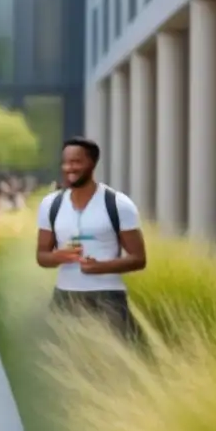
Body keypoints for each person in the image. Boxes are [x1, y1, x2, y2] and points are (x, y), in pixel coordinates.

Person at [36, 137, 146, 336]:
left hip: (108, 298)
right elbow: (41, 256)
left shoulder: (118, 204)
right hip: (65, 297)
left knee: (114, 361)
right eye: (66, 162)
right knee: (59, 362)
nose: (69, 167)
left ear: (92, 163)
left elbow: (139, 259)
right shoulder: (50, 205)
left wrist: (100, 267)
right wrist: (59, 257)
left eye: (76, 162)